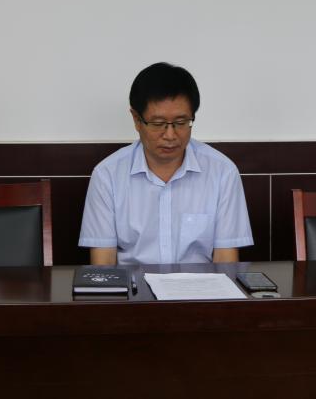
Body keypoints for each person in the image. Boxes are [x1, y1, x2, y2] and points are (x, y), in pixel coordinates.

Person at [78, 62, 253, 265]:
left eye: (181, 123)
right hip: (133, 285)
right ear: (136, 119)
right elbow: (104, 265)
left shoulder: (223, 172)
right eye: (158, 124)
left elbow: (226, 262)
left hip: (201, 285)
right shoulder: (107, 175)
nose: (170, 135)